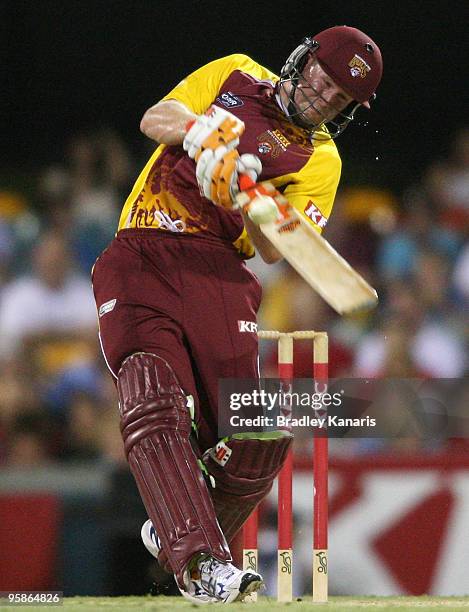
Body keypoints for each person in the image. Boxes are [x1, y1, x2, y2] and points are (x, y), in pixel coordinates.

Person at [92, 25, 382, 603]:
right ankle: (200, 564)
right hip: (145, 247)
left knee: (256, 439)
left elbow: (277, 248)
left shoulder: (322, 160)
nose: (325, 98)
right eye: (325, 80)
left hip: (224, 272)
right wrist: (206, 138)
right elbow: (157, 118)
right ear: (305, 61)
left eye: (340, 99)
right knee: (154, 394)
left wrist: (246, 191)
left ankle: (177, 526)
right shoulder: (236, 72)